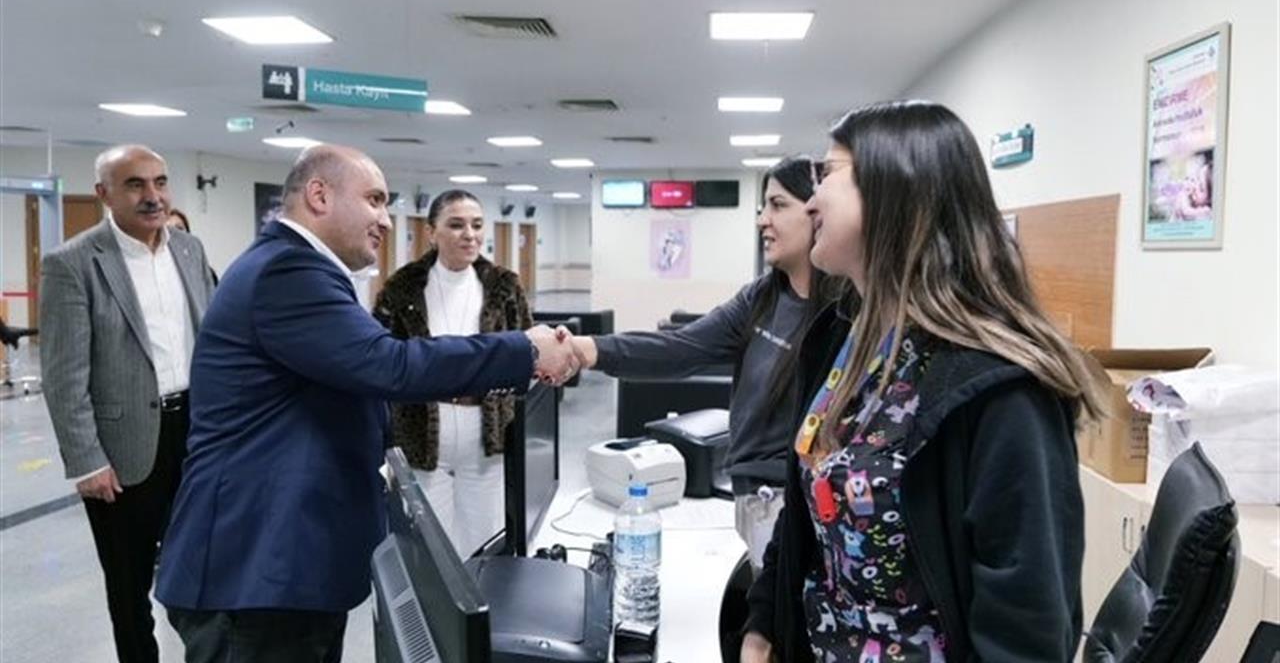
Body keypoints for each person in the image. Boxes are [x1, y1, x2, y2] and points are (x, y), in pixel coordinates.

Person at [153, 144, 577, 662]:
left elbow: (360, 377)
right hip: (254, 567)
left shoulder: (298, 267)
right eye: (374, 200)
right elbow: (387, 364)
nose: (386, 220)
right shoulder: (287, 271)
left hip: (285, 565)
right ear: (319, 195)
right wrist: (524, 350)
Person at [742, 101, 1106, 662]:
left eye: (829, 173)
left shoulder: (1000, 391)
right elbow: (808, 502)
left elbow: (1026, 629)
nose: (811, 202)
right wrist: (764, 623)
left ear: (894, 192)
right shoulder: (844, 338)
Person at [570, 157, 849, 571]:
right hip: (752, 495)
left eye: (777, 205)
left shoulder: (847, 313)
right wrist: (587, 350)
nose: (762, 220)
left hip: (798, 501)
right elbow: (680, 348)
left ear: (817, 211)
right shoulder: (761, 298)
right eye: (763, 207)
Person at [39, 144, 216, 663]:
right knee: (129, 585)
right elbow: (64, 375)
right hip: (123, 449)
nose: (152, 196)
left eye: (160, 182)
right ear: (104, 193)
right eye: (135, 184)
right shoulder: (73, 263)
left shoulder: (190, 250)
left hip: (196, 435)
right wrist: (86, 460)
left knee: (204, 568)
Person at [372, 189, 533, 557]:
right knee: (431, 552)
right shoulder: (402, 288)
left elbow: (527, 350)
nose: (470, 235)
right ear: (432, 232)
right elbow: (382, 361)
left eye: (477, 225)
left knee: (486, 545)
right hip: (423, 439)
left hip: (487, 440)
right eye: (457, 225)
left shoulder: (504, 287)